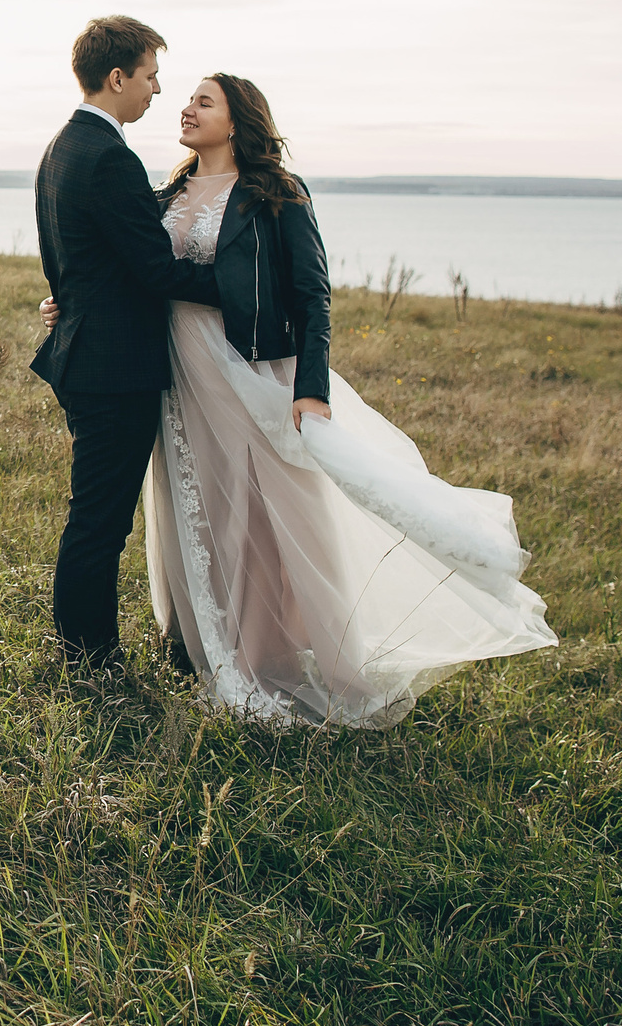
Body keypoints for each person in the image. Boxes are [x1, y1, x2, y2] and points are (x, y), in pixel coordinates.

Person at [42, 69, 555, 725]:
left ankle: (280, 651)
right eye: (187, 98)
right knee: (203, 511)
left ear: (239, 118)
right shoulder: (166, 189)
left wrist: (311, 389)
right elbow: (130, 263)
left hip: (250, 373)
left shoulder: (275, 192)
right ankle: (208, 643)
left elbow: (313, 293)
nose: (186, 107)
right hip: (180, 383)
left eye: (204, 100)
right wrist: (71, 300)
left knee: (270, 510)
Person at [30, 16, 238, 669]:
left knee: (96, 515)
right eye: (150, 75)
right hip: (111, 368)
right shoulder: (109, 156)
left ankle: (85, 651)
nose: (155, 90)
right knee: (100, 521)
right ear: (117, 77)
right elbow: (156, 268)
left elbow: (83, 256)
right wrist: (246, 290)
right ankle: (89, 659)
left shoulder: (61, 147)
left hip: (84, 353)